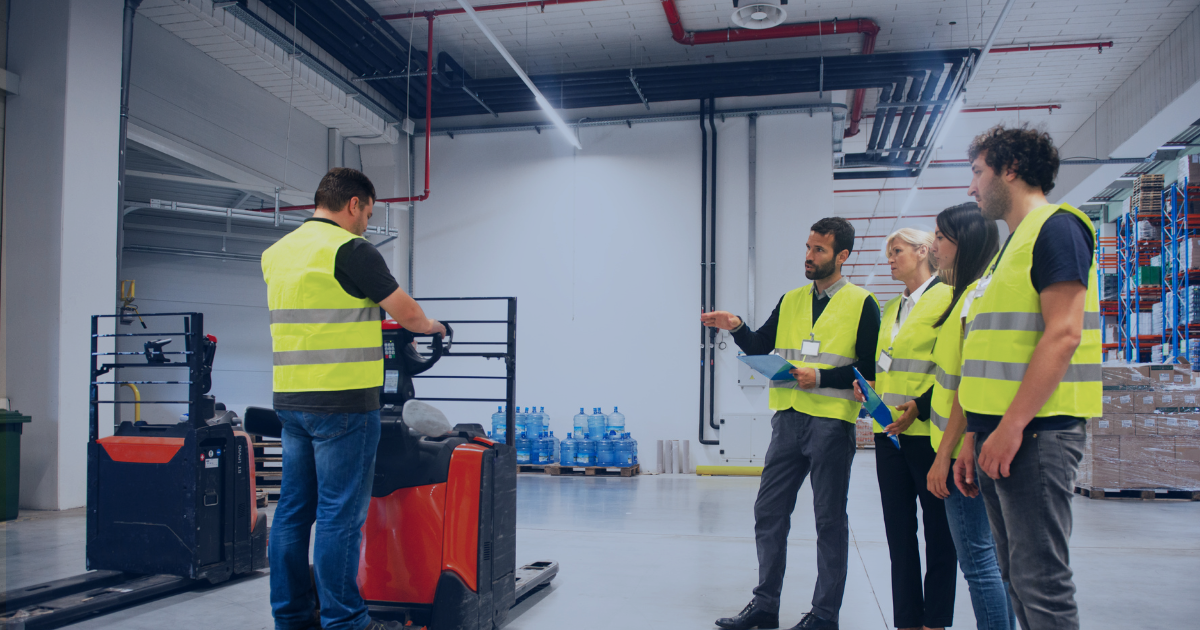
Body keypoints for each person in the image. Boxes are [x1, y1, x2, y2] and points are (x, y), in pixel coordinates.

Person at [261, 167, 446, 630]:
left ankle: (291, 617)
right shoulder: (351, 249)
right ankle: (345, 621)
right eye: (368, 211)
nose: (368, 222)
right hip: (343, 404)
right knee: (339, 517)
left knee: (291, 514)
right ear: (353, 204)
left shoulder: (277, 253)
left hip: (291, 400)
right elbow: (408, 314)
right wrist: (435, 329)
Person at [702, 217, 881, 630]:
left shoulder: (862, 303)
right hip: (788, 421)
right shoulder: (792, 299)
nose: (808, 256)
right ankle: (765, 607)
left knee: (828, 520)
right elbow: (763, 344)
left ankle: (824, 615)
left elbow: (868, 369)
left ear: (842, 256)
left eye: (818, 250)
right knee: (769, 511)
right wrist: (737, 327)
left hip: (832, 425)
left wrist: (819, 377)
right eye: (807, 247)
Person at [958, 126, 1101, 630]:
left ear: (1010, 170)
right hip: (1002, 433)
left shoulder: (1057, 229)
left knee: (1041, 583)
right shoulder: (1008, 251)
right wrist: (976, 434)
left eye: (978, 172)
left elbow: (1063, 335)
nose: (972, 187)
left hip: (1036, 434)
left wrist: (1011, 427)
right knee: (1014, 574)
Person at [854, 228, 957, 630]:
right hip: (890, 434)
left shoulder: (946, 298)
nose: (890, 259)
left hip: (929, 435)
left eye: (896, 251)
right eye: (888, 253)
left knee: (938, 534)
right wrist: (871, 392)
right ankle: (907, 621)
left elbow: (953, 369)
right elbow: (887, 365)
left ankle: (936, 620)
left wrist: (920, 406)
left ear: (923, 251)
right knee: (899, 535)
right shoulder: (893, 307)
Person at [924, 203, 1014, 630]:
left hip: (963, 453)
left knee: (979, 562)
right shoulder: (963, 296)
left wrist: (948, 455)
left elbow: (966, 387)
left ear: (965, 243)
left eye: (941, 237)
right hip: (957, 445)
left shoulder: (974, 300)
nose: (933, 245)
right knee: (985, 560)